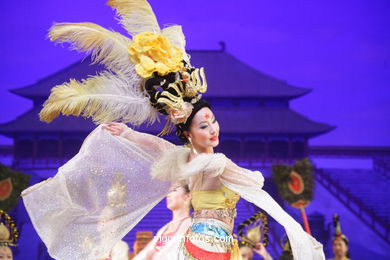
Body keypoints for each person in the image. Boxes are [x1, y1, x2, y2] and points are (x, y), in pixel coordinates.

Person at [22, 0, 325, 259]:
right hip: (211, 248)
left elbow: (154, 146)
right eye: (205, 125)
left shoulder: (184, 158)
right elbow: (255, 186)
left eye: (213, 121)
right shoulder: (215, 162)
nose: (214, 129)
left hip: (200, 243)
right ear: (190, 133)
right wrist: (298, 233)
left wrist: (127, 133)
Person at [133, 184, 191, 259]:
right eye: (168, 191)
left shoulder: (190, 227)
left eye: (174, 190)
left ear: (187, 196)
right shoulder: (164, 229)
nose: (168, 195)